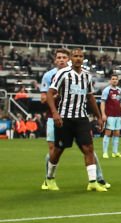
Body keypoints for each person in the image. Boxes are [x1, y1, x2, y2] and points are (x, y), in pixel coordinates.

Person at [44, 49, 107, 192]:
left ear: (83, 58)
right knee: (58, 150)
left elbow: (90, 97)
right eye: (75, 56)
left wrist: (98, 117)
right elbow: (50, 93)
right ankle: (50, 178)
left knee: (89, 149)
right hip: (64, 118)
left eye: (80, 56)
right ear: (71, 58)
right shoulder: (63, 73)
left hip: (82, 118)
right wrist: (55, 113)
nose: (78, 58)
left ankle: (92, 182)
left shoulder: (86, 75)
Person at [39, 48, 69, 190]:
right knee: (53, 148)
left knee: (88, 147)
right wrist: (55, 96)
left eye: (64, 57)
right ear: (55, 60)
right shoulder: (48, 76)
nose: (61, 59)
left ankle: (98, 179)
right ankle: (49, 179)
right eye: (59, 57)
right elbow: (43, 99)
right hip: (53, 116)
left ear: (68, 59)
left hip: (72, 117)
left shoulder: (74, 74)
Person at [100, 74, 121, 158]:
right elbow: (102, 103)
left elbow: (120, 103)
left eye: (116, 79)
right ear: (110, 80)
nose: (114, 80)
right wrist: (103, 114)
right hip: (110, 115)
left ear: (118, 81)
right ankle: (105, 152)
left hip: (118, 115)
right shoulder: (107, 90)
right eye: (113, 79)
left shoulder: (119, 90)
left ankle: (115, 152)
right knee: (108, 132)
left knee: (117, 133)